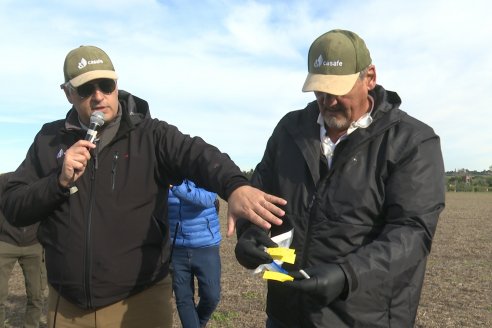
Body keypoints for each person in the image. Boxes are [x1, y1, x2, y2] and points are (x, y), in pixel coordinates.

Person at [1, 45, 286, 328]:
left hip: (137, 304)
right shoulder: (49, 140)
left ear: (117, 84)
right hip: (66, 307)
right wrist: (58, 182)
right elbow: (14, 207)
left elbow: (198, 155)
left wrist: (235, 187)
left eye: (106, 84)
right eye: (87, 88)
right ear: (68, 93)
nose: (99, 96)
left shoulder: (150, 135)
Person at [234, 29, 446, 327]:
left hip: (363, 317)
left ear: (369, 77)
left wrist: (347, 275)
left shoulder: (412, 142)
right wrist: (249, 234)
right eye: (319, 90)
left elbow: (412, 233)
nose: (327, 101)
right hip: (286, 313)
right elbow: (259, 195)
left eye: (337, 89)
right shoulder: (290, 130)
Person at [168, 180, 221, 328]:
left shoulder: (203, 167)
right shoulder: (164, 168)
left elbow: (207, 199)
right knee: (183, 299)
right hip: (175, 245)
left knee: (212, 296)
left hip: (206, 244)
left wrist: (175, 186)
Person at [0, 172, 46, 328]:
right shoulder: (6, 180)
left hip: (34, 245)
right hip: (6, 242)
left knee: (36, 295)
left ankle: (31, 325)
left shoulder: (45, 181)